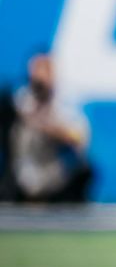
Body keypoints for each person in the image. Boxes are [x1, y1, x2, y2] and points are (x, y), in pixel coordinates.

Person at [2, 52, 93, 203]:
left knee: (86, 171)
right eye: (36, 71)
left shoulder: (64, 105)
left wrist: (51, 128)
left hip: (56, 178)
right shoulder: (19, 102)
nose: (40, 78)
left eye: (46, 71)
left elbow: (80, 138)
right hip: (21, 177)